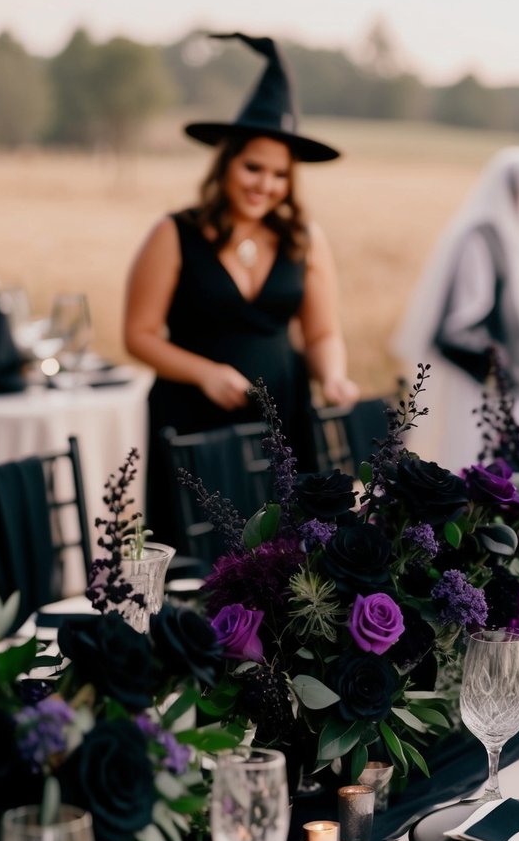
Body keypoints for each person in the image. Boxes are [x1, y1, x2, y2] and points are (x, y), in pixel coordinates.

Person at [124, 31, 359, 539]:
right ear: (226, 161)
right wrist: (206, 373)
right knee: (202, 549)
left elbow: (321, 333)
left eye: (279, 175)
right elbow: (138, 334)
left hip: (285, 421)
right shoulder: (174, 233)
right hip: (192, 421)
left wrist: (334, 376)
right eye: (253, 167)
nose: (264, 185)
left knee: (283, 558)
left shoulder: (304, 239)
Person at [393, 146, 519, 471]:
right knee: (480, 482)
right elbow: (456, 329)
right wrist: (506, 370)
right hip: (484, 398)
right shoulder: (480, 243)